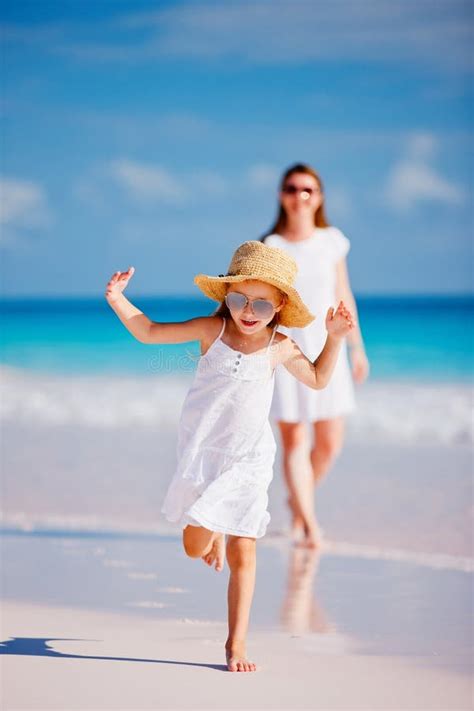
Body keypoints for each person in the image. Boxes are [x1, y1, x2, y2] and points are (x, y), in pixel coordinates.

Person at [105, 240, 355, 672]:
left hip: (250, 460)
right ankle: (211, 531)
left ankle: (235, 645)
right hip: (204, 455)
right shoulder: (212, 331)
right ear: (228, 296)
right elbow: (149, 332)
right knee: (192, 545)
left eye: (261, 302)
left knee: (247, 551)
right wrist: (117, 298)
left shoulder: (281, 345)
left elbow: (316, 379)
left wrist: (334, 340)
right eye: (240, 298)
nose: (249, 310)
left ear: (279, 305)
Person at [262, 164, 370, 548]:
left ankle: (297, 503)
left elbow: (344, 293)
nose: (300, 196)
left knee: (328, 444)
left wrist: (357, 347)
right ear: (281, 195)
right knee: (294, 441)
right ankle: (309, 525)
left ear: (319, 196)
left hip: (330, 345)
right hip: (287, 347)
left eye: (308, 189)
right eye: (292, 188)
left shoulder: (332, 241)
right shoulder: (272, 246)